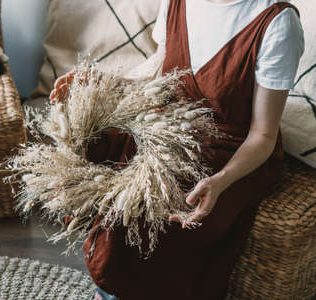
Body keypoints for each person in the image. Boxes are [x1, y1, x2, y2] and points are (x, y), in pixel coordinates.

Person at [49, 0, 304, 299]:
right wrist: (101, 83)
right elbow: (161, 67)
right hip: (169, 126)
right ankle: (113, 288)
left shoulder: (276, 22)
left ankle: (121, 291)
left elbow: (262, 134)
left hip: (232, 150)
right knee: (99, 147)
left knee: (150, 204)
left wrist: (220, 182)